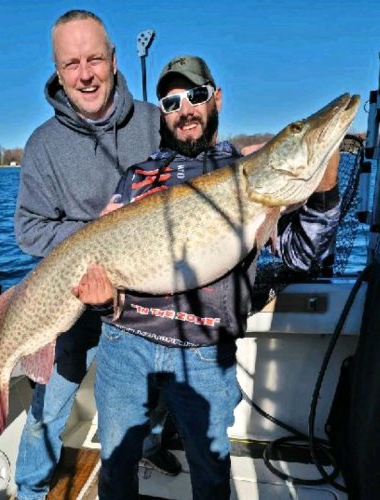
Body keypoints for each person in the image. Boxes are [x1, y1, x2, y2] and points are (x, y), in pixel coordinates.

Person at [74, 55, 342, 499]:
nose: (185, 109)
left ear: (216, 98)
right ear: (163, 113)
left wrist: (325, 186)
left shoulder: (246, 170)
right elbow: (108, 279)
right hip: (125, 346)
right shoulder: (135, 178)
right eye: (171, 101)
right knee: (116, 468)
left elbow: (303, 255)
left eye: (196, 96)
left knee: (211, 478)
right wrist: (102, 300)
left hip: (205, 355)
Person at [13, 10, 180, 500]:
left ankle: (146, 443)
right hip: (72, 296)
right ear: (58, 72)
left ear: (112, 58)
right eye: (71, 64)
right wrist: (98, 237)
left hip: (143, 291)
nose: (84, 74)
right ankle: (29, 488)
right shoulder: (42, 146)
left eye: (93, 59)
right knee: (51, 401)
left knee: (150, 386)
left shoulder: (155, 123)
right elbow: (27, 229)